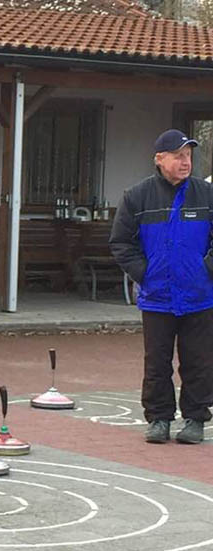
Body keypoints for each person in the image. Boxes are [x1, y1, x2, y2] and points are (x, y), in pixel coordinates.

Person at [110, 128, 213, 445]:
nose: (186, 162)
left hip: (199, 296)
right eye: (178, 156)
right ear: (159, 159)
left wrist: (206, 270)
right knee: (156, 363)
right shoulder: (136, 197)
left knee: (198, 361)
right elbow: (121, 243)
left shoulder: (207, 195)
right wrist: (146, 274)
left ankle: (195, 419)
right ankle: (159, 419)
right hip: (157, 297)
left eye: (189, 156)